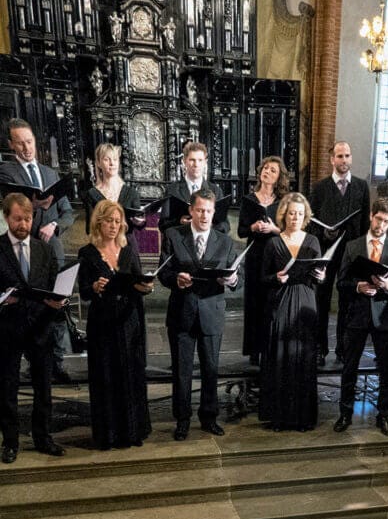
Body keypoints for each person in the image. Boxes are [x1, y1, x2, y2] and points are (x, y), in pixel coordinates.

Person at [158, 187, 238, 440]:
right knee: (182, 371)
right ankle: (182, 420)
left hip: (212, 312)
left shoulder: (225, 241)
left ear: (214, 212)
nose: (204, 215)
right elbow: (163, 271)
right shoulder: (173, 235)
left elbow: (238, 277)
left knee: (211, 369)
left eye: (209, 211)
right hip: (182, 311)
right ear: (191, 210)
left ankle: (209, 417)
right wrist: (175, 278)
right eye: (200, 210)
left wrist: (233, 279)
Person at [0, 118, 75, 383]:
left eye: (29, 141)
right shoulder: (7, 173)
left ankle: (56, 362)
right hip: (23, 250)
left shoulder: (51, 174)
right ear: (11, 144)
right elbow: (11, 209)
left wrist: (55, 225)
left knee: (55, 305)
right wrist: (34, 204)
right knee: (29, 306)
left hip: (51, 250)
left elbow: (68, 212)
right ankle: (31, 363)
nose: (26, 147)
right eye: (19, 142)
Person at [77, 200, 151, 449]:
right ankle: (108, 435)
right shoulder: (87, 253)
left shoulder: (129, 249)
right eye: (109, 220)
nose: (113, 225)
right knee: (107, 376)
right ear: (99, 221)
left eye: (117, 221)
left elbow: (139, 282)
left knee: (130, 375)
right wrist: (95, 287)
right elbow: (84, 291)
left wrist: (146, 286)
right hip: (103, 324)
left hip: (129, 321)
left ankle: (132, 432)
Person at [0, 193, 65, 462]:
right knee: (7, 388)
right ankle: (11, 442)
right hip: (8, 327)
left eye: (27, 218)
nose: (23, 224)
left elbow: (54, 283)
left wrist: (58, 300)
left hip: (39, 326)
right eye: (18, 219)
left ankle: (43, 437)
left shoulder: (44, 249)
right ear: (6, 218)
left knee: (43, 387)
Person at [334, 197, 388, 437]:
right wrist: (357, 287)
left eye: (386, 222)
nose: (381, 225)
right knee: (350, 366)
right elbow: (340, 282)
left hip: (384, 316)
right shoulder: (353, 246)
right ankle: (345, 413)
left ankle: (383, 415)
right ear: (371, 216)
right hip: (357, 314)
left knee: (386, 368)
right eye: (378, 219)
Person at [259, 192, 322, 431]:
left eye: (300, 213)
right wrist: (275, 278)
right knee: (281, 357)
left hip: (306, 302)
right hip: (281, 301)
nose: (295, 217)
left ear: (305, 216)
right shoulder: (273, 243)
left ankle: (302, 417)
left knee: (303, 357)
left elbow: (319, 275)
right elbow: (262, 278)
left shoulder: (313, 241)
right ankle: (279, 417)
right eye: (291, 213)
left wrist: (322, 276)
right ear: (283, 215)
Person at [309, 141, 371, 366]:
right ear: (332, 160)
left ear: (351, 158)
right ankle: (319, 348)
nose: (344, 160)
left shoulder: (362, 187)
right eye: (339, 156)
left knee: (348, 301)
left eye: (347, 156)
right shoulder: (320, 187)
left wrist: (364, 253)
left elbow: (365, 223)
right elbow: (311, 222)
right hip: (326, 251)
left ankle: (343, 349)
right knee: (321, 300)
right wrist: (324, 233)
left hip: (352, 254)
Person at [237, 155, 289, 364]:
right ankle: (254, 350)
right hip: (256, 256)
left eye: (273, 170)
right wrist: (254, 227)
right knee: (254, 302)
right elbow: (241, 231)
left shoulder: (283, 202)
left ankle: (271, 347)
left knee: (273, 303)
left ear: (279, 178)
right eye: (265, 168)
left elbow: (288, 231)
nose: (267, 172)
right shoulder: (249, 200)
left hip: (276, 257)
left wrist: (273, 229)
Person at [159, 141, 230, 235]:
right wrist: (179, 222)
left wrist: (209, 226)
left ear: (205, 162)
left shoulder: (215, 191)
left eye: (200, 160)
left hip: (207, 245)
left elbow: (225, 225)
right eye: (192, 160)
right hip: (181, 243)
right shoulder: (172, 190)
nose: (196, 164)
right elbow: (162, 225)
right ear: (184, 161)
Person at [83, 143, 145, 234]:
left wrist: (139, 222)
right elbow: (89, 229)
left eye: (115, 159)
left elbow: (140, 225)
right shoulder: (92, 194)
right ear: (99, 163)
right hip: (103, 244)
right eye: (106, 160)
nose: (112, 163)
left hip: (126, 243)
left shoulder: (131, 192)